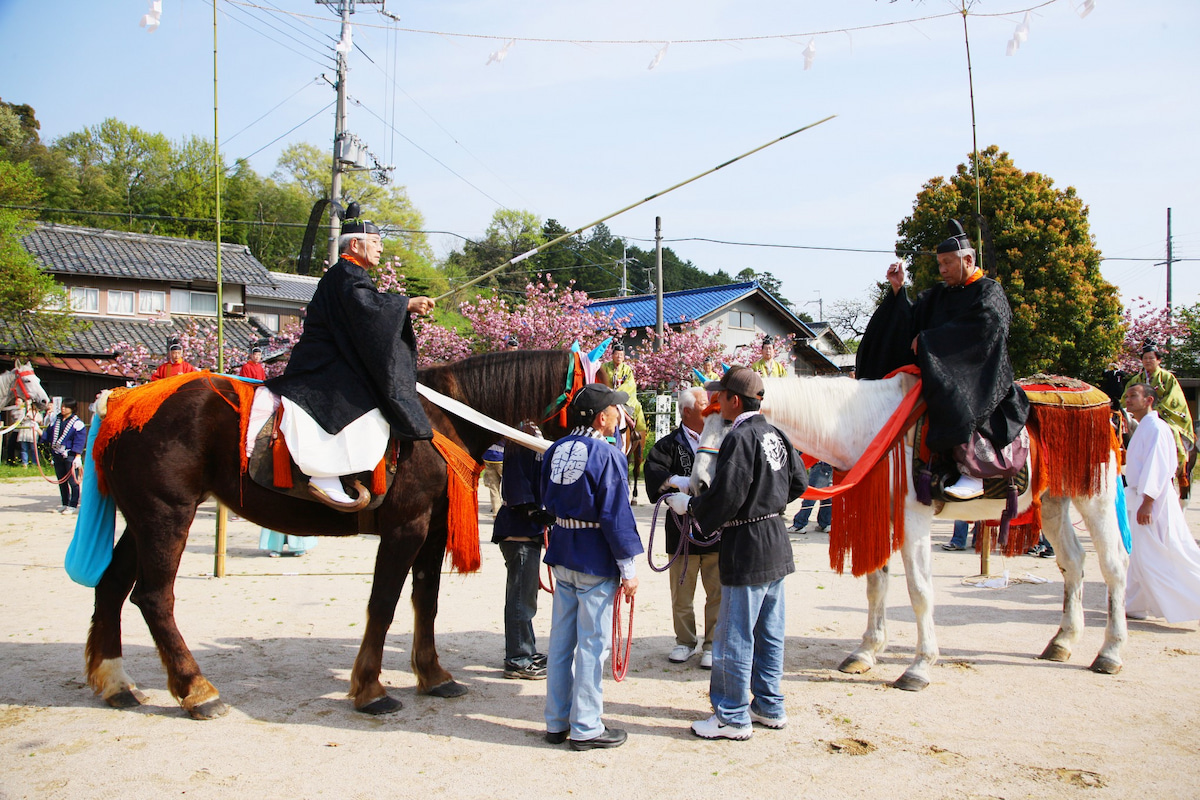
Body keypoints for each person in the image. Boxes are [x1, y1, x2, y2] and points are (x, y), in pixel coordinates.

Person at [663, 366, 808, 740]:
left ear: (733, 400)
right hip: (775, 539)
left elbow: (728, 495)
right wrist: (768, 504)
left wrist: (692, 507)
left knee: (733, 636)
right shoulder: (775, 432)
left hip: (747, 546)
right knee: (769, 633)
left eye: (720, 397)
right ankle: (769, 706)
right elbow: (799, 482)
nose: (717, 403)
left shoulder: (739, 436)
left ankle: (731, 715)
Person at [266, 206, 436, 510]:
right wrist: (406, 304)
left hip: (333, 361)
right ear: (355, 245)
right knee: (362, 405)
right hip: (322, 366)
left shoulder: (349, 274)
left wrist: (401, 306)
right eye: (375, 242)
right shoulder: (345, 273)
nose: (381, 249)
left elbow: (368, 310)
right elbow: (366, 308)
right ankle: (324, 475)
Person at [856, 219, 1029, 501]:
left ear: (969, 259)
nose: (943, 270)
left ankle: (974, 471)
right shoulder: (937, 295)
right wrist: (899, 290)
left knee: (955, 397)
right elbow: (911, 320)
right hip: (938, 368)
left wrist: (928, 341)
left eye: (948, 263)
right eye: (940, 264)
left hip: (978, 372)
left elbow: (985, 328)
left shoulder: (990, 291)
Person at [541, 383, 643, 750]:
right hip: (595, 558)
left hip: (563, 551)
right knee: (592, 645)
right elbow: (616, 515)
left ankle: (556, 721)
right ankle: (585, 726)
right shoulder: (606, 454)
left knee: (561, 642)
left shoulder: (554, 450)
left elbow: (546, 503)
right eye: (617, 411)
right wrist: (629, 569)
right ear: (603, 417)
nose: (620, 418)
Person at [644, 386, 721, 669]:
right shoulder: (667, 444)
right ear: (688, 411)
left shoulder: (721, 440)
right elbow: (652, 471)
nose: (712, 406)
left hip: (715, 527)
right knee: (682, 592)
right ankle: (685, 641)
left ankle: (713, 643)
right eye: (704, 403)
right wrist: (674, 480)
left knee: (718, 591)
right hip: (681, 532)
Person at [1122, 383, 1200, 622]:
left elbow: (1157, 466)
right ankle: (1133, 605)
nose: (1128, 400)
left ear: (1149, 400)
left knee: (1157, 554)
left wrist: (1147, 501)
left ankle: (1192, 601)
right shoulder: (1143, 426)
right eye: (1127, 396)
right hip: (1140, 495)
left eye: (1134, 396)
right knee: (1139, 555)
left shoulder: (1156, 427)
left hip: (1152, 499)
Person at [493, 424, 551, 680]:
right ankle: (518, 658)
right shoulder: (520, 434)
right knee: (521, 597)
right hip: (519, 529)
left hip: (529, 529)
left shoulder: (534, 431)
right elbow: (516, 481)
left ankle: (526, 649)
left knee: (526, 596)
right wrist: (532, 510)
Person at [1123, 341, 1194, 483]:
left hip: (1164, 416)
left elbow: (1174, 400)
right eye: (1145, 358)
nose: (1148, 361)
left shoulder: (1168, 378)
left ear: (1159, 360)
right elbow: (1125, 398)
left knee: (1172, 432)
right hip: (1138, 417)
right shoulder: (1135, 380)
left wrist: (1153, 409)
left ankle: (1180, 470)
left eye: (1151, 358)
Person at [40, 398, 86, 515]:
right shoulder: (56, 420)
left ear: (72, 408)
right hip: (57, 454)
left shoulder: (77, 423)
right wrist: (39, 433)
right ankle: (65, 503)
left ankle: (73, 504)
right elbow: (48, 434)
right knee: (61, 481)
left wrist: (77, 455)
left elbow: (79, 440)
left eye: (66, 406)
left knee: (73, 481)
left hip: (70, 454)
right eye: (62, 406)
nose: (63, 408)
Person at [598, 343, 646, 440]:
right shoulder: (604, 367)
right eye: (617, 354)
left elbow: (630, 384)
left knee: (637, 407)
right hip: (606, 396)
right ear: (612, 355)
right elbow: (600, 380)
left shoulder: (627, 369)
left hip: (622, 397)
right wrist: (609, 391)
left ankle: (637, 433)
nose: (619, 357)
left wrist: (617, 393)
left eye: (621, 355)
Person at [789, 460, 832, 533]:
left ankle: (799, 524)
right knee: (825, 496)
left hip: (821, 464)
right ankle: (825, 523)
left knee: (811, 497)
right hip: (828, 465)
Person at [14, 399, 42, 468]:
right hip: (24, 433)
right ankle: (24, 463)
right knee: (24, 449)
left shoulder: (37, 413)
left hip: (32, 434)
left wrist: (32, 418)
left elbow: (40, 421)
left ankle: (35, 463)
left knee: (34, 449)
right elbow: (18, 420)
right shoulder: (24, 413)